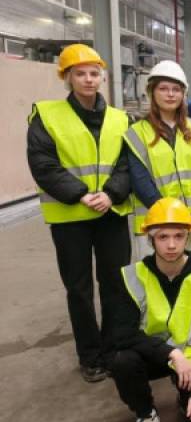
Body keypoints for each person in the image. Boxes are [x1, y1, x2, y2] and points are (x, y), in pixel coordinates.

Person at [26, 43, 132, 382]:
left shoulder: (120, 118)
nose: (88, 79)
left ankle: (113, 348)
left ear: (102, 77)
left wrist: (111, 194)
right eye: (80, 73)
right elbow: (43, 164)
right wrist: (82, 194)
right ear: (67, 78)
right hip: (70, 217)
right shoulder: (47, 116)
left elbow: (128, 163)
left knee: (115, 284)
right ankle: (91, 356)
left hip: (111, 213)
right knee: (79, 289)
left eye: (93, 73)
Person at [110, 198, 191, 422]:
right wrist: (173, 354)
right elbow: (122, 334)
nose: (171, 245)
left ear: (188, 237)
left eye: (178, 236)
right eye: (163, 237)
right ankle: (146, 415)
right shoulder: (133, 276)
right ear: (150, 239)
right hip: (153, 355)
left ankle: (186, 391)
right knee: (121, 360)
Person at [124, 60, 191, 260]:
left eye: (176, 89)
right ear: (152, 92)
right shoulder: (137, 133)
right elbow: (139, 180)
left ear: (183, 94)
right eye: (163, 89)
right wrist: (168, 216)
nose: (170, 94)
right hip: (154, 224)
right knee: (155, 276)